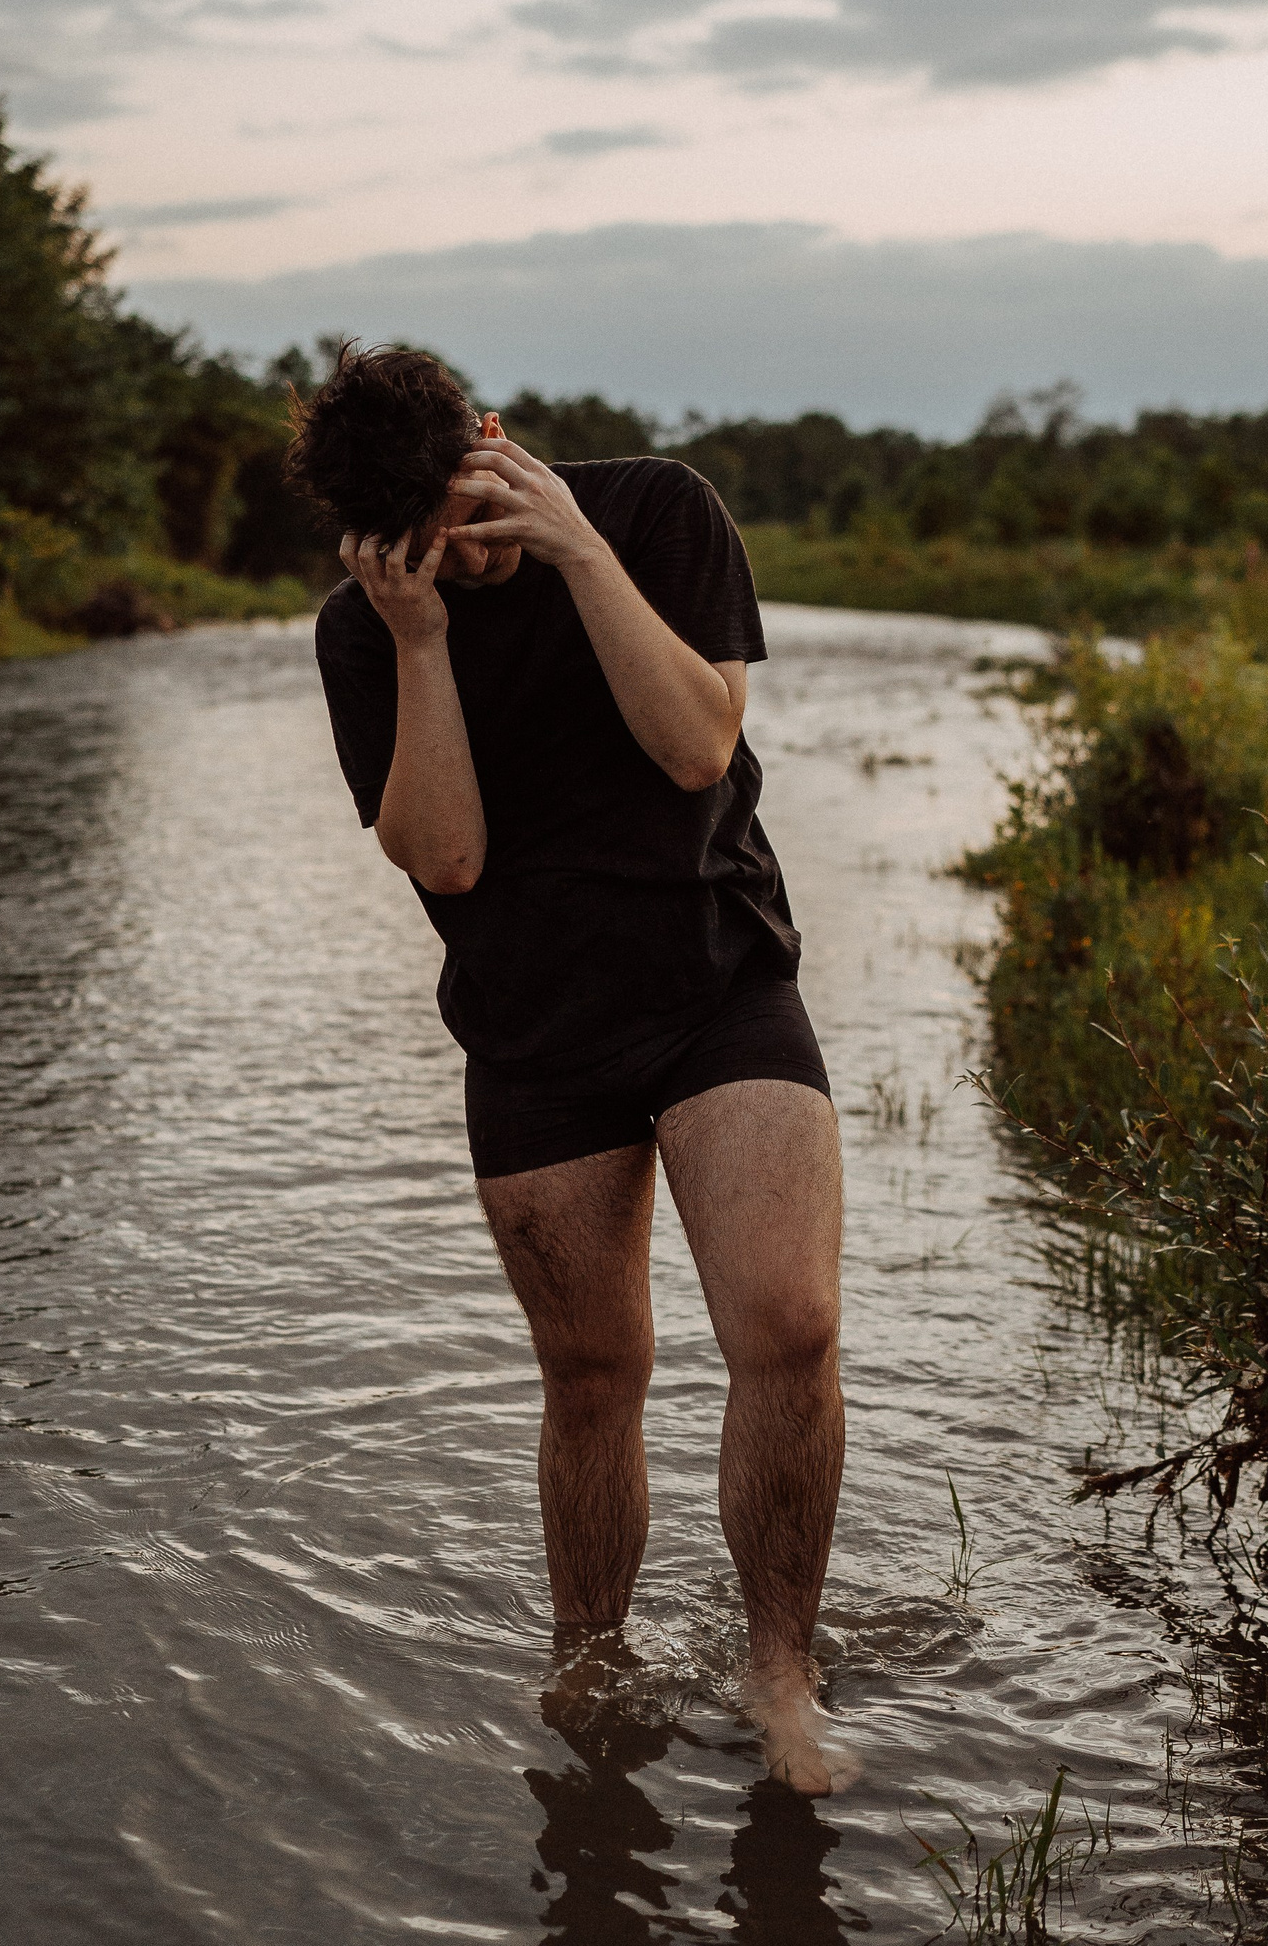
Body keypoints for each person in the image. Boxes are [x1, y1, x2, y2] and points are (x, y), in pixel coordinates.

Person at [288, 345, 850, 1793]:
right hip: (533, 1022)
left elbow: (697, 747)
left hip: (718, 983)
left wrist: (579, 552)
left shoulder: (657, 511)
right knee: (594, 1374)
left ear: (493, 439)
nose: (462, 556)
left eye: (471, 514)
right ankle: (591, 1667)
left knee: (788, 1327)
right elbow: (447, 857)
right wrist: (420, 643)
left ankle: (782, 1673)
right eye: (421, 544)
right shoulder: (366, 630)